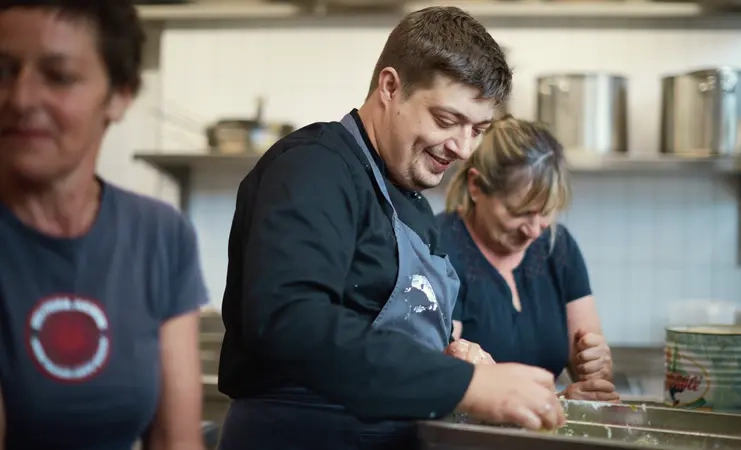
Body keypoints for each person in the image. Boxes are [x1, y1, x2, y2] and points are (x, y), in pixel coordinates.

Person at [216, 7, 566, 450]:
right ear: (390, 86)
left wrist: (453, 353)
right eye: (445, 120)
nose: (463, 148)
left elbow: (387, 331)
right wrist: (463, 384)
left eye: (478, 129)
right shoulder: (313, 168)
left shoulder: (412, 201)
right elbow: (292, 321)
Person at [0, 2, 208, 449]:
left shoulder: (161, 235)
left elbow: (176, 439)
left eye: (58, 76)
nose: (19, 98)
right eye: (2, 71)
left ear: (120, 95)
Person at [436, 116, 619, 402]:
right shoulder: (439, 249)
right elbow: (444, 381)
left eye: (545, 211)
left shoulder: (558, 247)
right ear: (476, 186)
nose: (534, 230)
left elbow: (595, 377)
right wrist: (557, 402)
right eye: (519, 212)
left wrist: (598, 365)